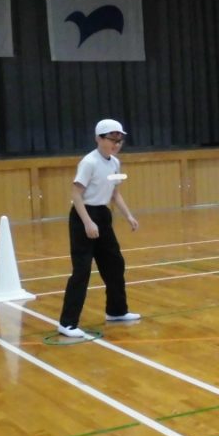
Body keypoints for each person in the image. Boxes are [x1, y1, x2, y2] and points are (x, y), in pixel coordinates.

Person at [58, 118, 140, 338]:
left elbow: (115, 193)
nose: (116, 144)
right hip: (83, 216)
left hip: (103, 215)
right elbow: (76, 194)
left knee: (115, 264)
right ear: (99, 139)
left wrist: (128, 216)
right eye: (112, 139)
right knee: (82, 270)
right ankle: (67, 323)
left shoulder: (115, 163)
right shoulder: (89, 162)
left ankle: (116, 311)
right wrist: (87, 222)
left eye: (119, 140)